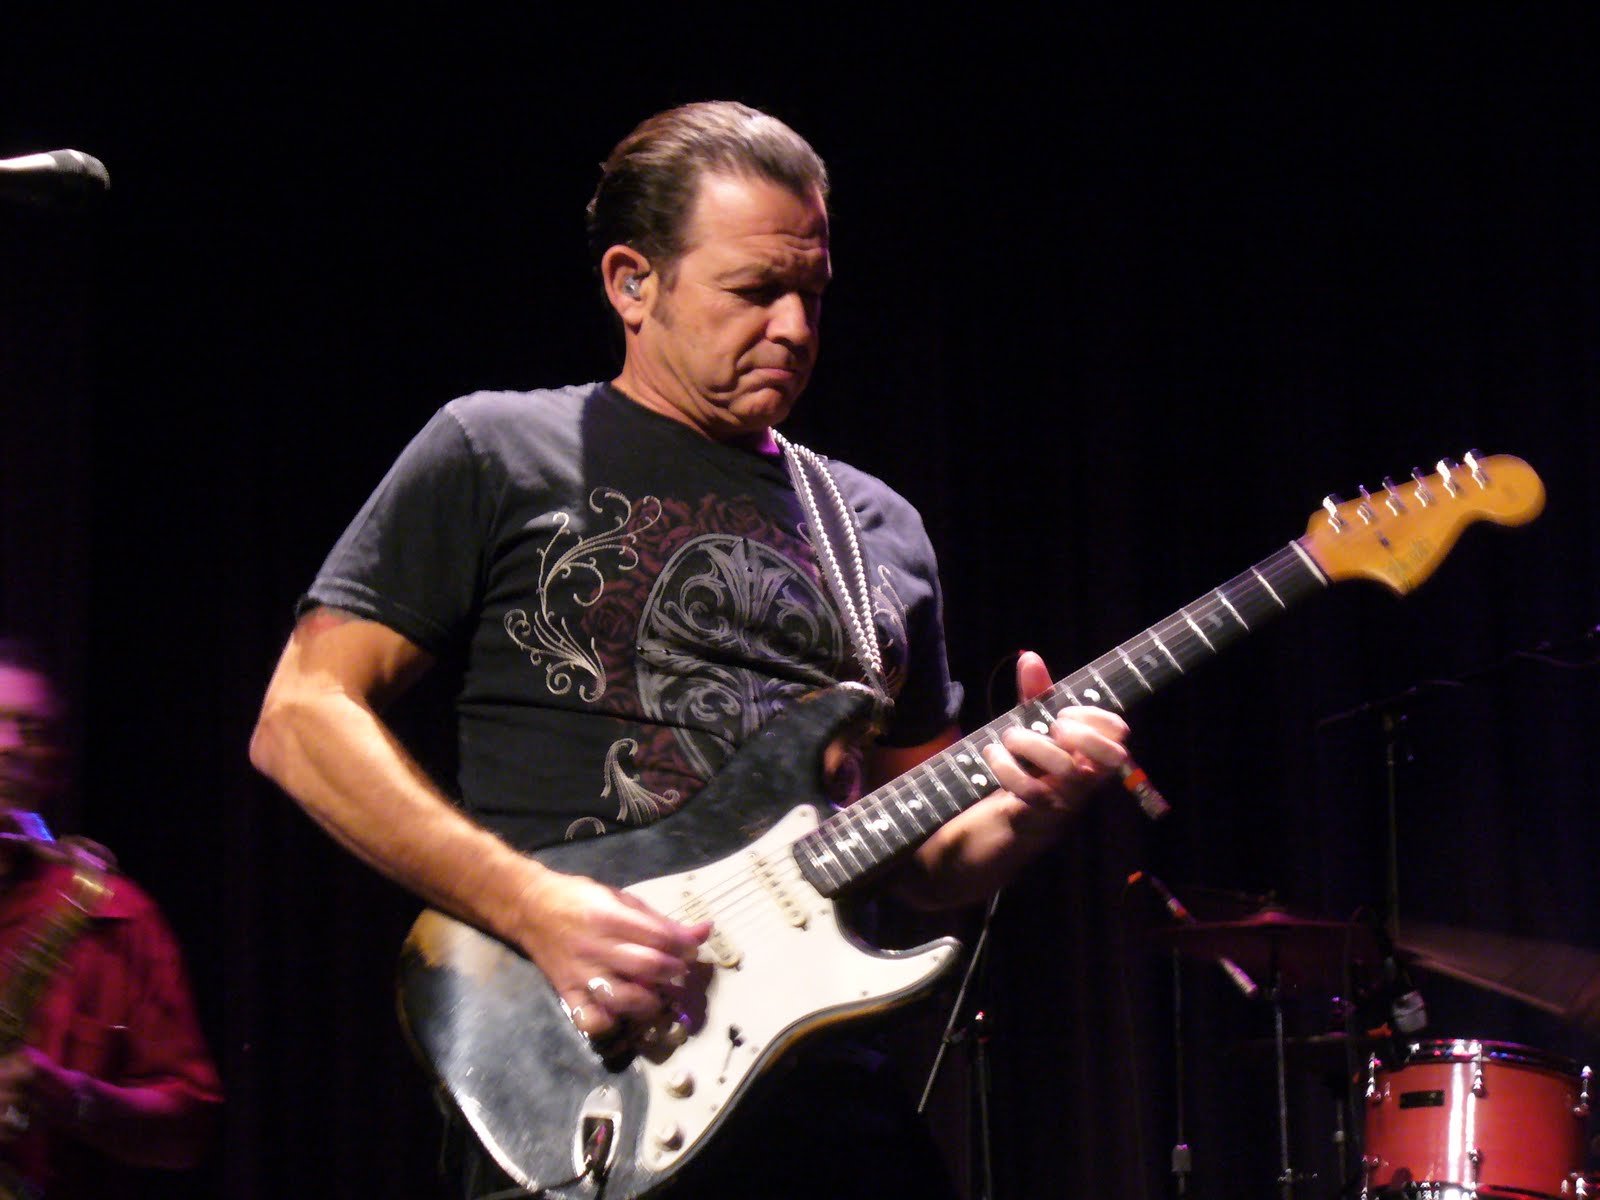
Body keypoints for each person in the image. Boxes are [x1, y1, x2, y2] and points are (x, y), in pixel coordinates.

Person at [250, 100, 1130, 1198]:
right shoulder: (495, 450)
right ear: (633, 283)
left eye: (812, 293)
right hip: (583, 1065)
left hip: (818, 1092)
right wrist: (534, 909)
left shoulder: (877, 529)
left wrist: (1029, 808)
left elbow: (924, 865)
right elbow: (300, 719)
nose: (795, 328)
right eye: (754, 291)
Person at [0, 639, 222, 1197]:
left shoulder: (115, 914)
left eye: (29, 730)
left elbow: (189, 1129)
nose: (8, 746)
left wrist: (72, 1097)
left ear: (55, 769)